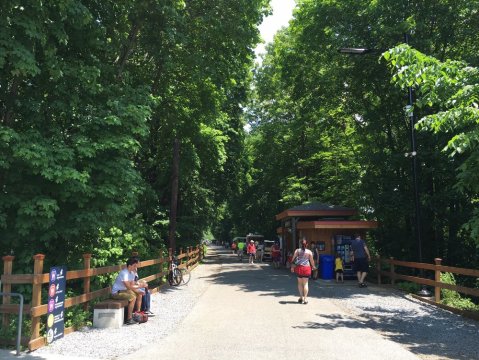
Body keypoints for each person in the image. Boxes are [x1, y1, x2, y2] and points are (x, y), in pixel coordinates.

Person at [111, 257, 144, 325]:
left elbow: (132, 285)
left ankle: (137, 313)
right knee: (133, 297)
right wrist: (140, 287)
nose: (136, 267)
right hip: (117, 292)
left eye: (136, 266)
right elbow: (128, 286)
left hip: (124, 290)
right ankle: (129, 319)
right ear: (129, 266)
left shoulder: (131, 273)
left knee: (139, 294)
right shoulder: (124, 273)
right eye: (134, 266)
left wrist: (138, 290)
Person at [291, 239, 316, 304]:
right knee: (306, 284)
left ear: (300, 244)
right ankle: (305, 299)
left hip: (299, 268)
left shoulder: (297, 251)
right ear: (307, 244)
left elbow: (293, 259)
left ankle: (301, 297)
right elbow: (312, 261)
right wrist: (313, 266)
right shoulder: (309, 252)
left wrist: (292, 267)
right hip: (307, 268)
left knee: (300, 283)